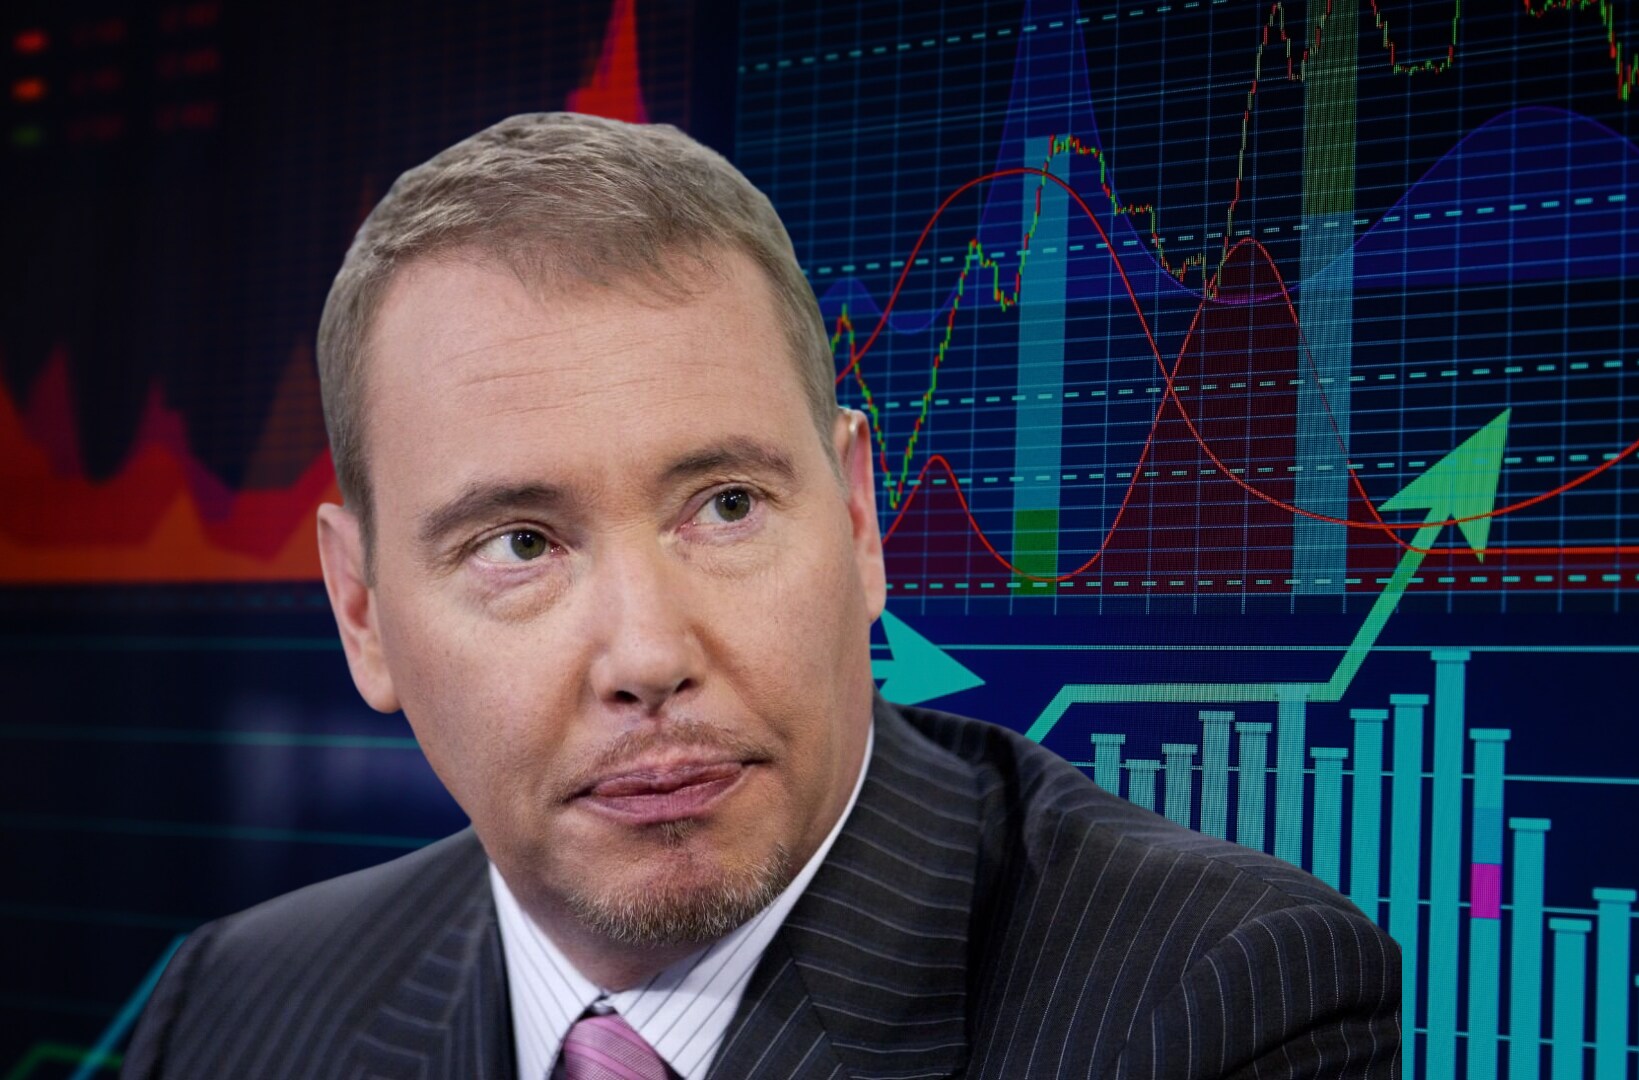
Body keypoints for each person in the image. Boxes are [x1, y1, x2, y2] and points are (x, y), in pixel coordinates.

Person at [122, 112, 1399, 1079]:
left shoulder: (1223, 1003)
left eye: (725, 505)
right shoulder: (228, 1016)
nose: (647, 654)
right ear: (362, 612)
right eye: (519, 543)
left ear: (856, 518)